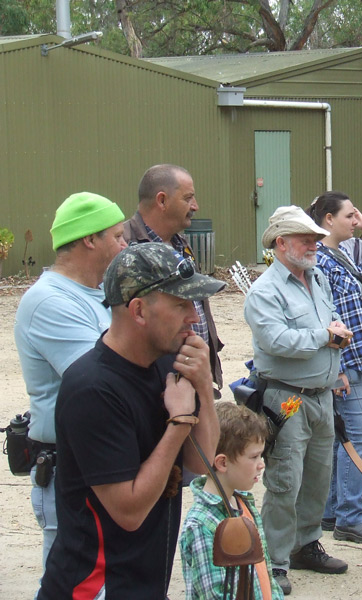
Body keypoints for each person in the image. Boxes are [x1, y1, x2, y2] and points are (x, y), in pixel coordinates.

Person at [38, 243, 224, 598]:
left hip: (146, 583)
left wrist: (202, 387)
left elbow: (201, 464)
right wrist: (181, 420)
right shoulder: (92, 389)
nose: (194, 317)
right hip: (95, 587)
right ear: (138, 310)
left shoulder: (167, 361)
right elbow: (129, 512)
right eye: (181, 304)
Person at [14, 192, 127, 590]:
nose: (125, 244)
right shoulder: (49, 301)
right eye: (118, 235)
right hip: (71, 472)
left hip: (100, 462)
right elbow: (107, 377)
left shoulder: (96, 296)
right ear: (89, 240)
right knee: (76, 584)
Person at [244, 205, 352, 596]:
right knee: (285, 480)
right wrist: (326, 336)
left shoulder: (316, 277)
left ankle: (306, 546)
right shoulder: (264, 291)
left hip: (322, 397)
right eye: (306, 239)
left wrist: (336, 366)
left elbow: (329, 323)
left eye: (316, 239)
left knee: (318, 477)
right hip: (286, 400)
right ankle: (274, 561)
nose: (314, 245)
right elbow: (275, 342)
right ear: (280, 243)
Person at [307, 192, 362, 544]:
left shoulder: (339, 254)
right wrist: (340, 367)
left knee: (337, 437)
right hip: (342, 366)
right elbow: (326, 316)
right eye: (350, 216)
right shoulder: (321, 262)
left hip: (354, 364)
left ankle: (331, 511)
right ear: (329, 220)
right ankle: (349, 518)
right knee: (357, 436)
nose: (356, 222)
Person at [124, 163, 224, 393]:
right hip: (157, 386)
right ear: (162, 200)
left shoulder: (181, 244)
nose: (195, 206)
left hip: (194, 378)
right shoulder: (126, 247)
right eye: (188, 198)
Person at [180, 402, 284, 600]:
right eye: (254, 457)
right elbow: (214, 594)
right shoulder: (201, 525)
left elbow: (265, 575)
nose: (261, 464)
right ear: (223, 462)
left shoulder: (243, 504)